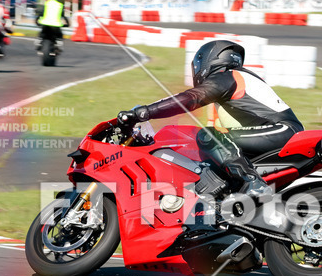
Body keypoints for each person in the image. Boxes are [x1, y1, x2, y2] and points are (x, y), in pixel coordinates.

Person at [117, 40, 304, 200]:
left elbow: (189, 99)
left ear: (209, 59)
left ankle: (254, 183)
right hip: (272, 133)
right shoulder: (234, 81)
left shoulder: (228, 77)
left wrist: (145, 112)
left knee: (208, 136)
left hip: (282, 131)